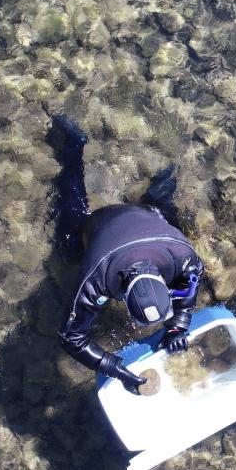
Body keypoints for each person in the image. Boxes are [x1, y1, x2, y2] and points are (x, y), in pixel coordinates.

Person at [50, 115, 204, 394]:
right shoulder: (96, 279)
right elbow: (69, 337)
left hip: (148, 222)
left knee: (164, 216)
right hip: (100, 223)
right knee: (69, 232)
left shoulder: (186, 258)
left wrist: (178, 326)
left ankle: (160, 192)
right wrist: (114, 368)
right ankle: (73, 146)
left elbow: (192, 281)